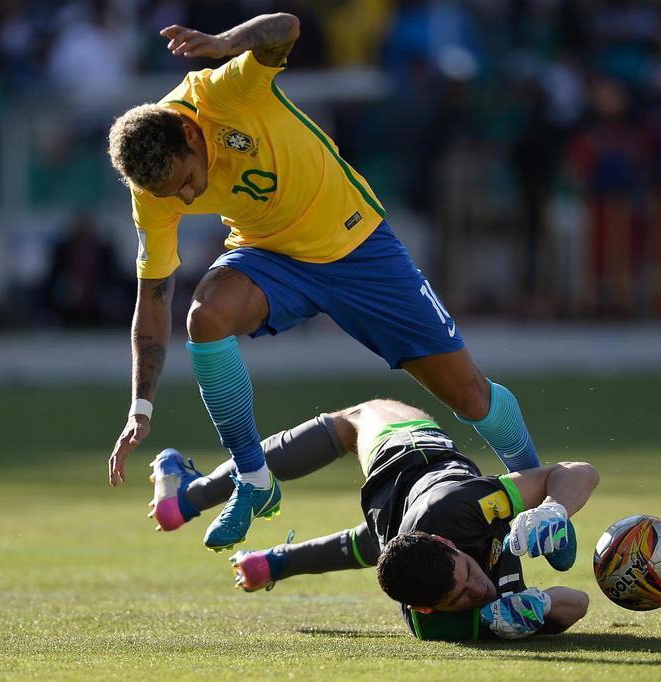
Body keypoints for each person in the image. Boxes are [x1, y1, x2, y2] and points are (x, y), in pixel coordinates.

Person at [106, 13, 542, 551]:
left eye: (188, 180)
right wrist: (140, 407)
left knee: (471, 396)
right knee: (205, 315)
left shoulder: (224, 91)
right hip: (269, 256)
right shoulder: (153, 188)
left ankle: (540, 497)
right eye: (176, 194)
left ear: (191, 134)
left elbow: (286, 27)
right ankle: (254, 480)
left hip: (358, 246)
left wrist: (223, 44)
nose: (189, 199)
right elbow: (154, 295)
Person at [148, 398, 598, 641]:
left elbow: (576, 473)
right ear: (423, 608)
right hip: (395, 520)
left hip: (405, 456)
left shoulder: (461, 510)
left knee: (356, 420)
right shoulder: (433, 611)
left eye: (465, 576)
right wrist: (536, 607)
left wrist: (552, 509)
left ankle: (189, 498)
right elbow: (577, 604)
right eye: (461, 593)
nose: (478, 590)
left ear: (447, 548)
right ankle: (268, 559)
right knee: (378, 544)